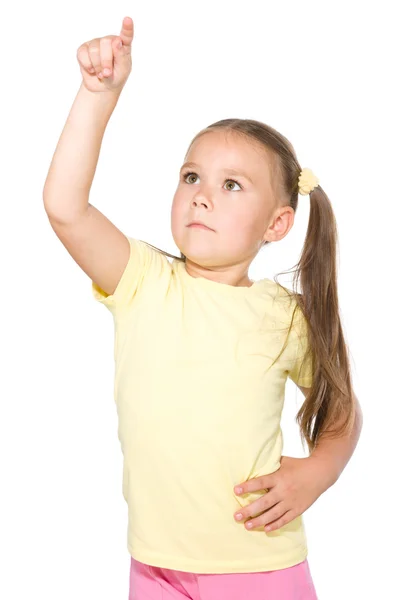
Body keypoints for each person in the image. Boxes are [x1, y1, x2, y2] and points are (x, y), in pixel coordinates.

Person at [43, 15, 363, 600]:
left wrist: (318, 472)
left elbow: (341, 410)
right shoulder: (143, 281)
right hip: (154, 566)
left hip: (258, 568)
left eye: (232, 184)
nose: (202, 194)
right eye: (192, 176)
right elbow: (66, 207)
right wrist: (98, 95)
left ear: (278, 224)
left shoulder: (284, 317)